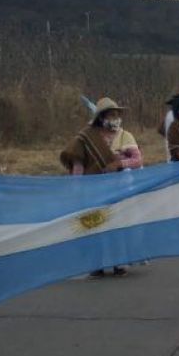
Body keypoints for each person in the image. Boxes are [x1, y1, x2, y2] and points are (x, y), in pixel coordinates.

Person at [61, 97, 142, 277]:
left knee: (116, 226)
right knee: (94, 226)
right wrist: (76, 187)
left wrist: (119, 164)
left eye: (117, 115)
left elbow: (137, 160)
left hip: (118, 189)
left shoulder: (125, 136)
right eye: (111, 115)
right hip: (93, 190)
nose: (115, 118)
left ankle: (118, 263)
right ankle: (95, 264)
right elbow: (78, 164)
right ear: (101, 117)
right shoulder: (86, 137)